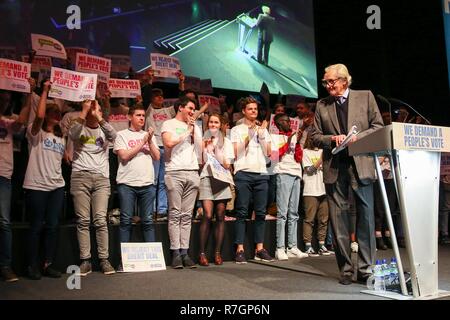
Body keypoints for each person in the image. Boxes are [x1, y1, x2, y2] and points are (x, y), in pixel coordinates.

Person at [310, 63, 383, 285]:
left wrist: (356, 138)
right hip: (335, 166)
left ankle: (365, 268)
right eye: (325, 82)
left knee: (366, 217)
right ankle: (346, 269)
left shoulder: (365, 97)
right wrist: (332, 139)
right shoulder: (321, 105)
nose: (328, 85)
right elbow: (314, 136)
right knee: (338, 220)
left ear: (344, 80)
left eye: (330, 81)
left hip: (360, 164)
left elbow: (378, 126)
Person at [69, 99, 116, 276]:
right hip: (80, 176)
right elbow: (73, 135)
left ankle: (104, 260)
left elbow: (114, 137)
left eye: (96, 109)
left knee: (100, 220)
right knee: (83, 220)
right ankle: (85, 260)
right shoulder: (78, 125)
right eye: (91, 109)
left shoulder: (104, 129)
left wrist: (99, 116)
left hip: (101, 179)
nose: (93, 111)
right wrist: (84, 111)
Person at [23, 81, 65, 280]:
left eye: (59, 113)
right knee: (36, 226)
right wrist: (45, 90)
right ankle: (32, 265)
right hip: (36, 185)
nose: (57, 116)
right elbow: (38, 116)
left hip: (56, 186)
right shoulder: (35, 131)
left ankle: (48, 263)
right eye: (53, 113)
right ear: (47, 114)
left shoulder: (61, 136)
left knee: (52, 226)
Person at [114, 105, 160, 267]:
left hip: (147, 183)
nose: (142, 118)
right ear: (129, 117)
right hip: (127, 184)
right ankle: (123, 261)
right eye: (138, 115)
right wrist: (142, 142)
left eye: (143, 116)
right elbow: (125, 155)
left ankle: (153, 262)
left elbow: (157, 156)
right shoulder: (121, 135)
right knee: (126, 220)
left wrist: (149, 140)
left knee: (147, 221)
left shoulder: (148, 136)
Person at [230, 96, 274, 264]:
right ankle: (239, 249)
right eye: (250, 109)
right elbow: (235, 151)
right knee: (241, 212)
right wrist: (250, 135)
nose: (254, 111)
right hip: (243, 173)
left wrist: (261, 134)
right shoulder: (237, 129)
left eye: (255, 109)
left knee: (261, 213)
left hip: (261, 173)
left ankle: (259, 249)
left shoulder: (263, 129)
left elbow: (269, 152)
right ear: (244, 111)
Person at [161, 96, 202, 269]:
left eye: (194, 109)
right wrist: (187, 130)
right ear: (180, 108)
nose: (193, 112)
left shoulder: (195, 127)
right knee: (175, 213)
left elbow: (200, 150)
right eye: (190, 108)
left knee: (187, 215)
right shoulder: (168, 124)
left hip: (192, 172)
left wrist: (195, 131)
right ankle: (175, 253)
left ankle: (185, 252)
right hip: (174, 172)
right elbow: (169, 143)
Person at [0, 80, 33, 282]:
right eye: (1, 99)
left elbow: (21, 121)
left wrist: (29, 94)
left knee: (4, 221)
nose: (4, 102)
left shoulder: (8, 122)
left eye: (6, 100)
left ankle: (5, 266)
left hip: (3, 176)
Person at [198, 114, 234, 266]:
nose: (213, 124)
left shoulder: (227, 142)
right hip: (206, 177)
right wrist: (205, 148)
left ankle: (217, 253)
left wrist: (216, 149)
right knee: (207, 215)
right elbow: (200, 162)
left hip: (222, 179)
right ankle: (201, 253)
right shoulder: (202, 141)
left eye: (216, 122)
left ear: (221, 125)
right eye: (211, 122)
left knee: (220, 215)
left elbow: (227, 165)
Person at [271, 113, 308, 260]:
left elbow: (298, 157)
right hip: (283, 172)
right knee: (282, 213)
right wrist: (289, 140)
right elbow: (274, 156)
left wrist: (297, 142)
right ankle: (279, 248)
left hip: (296, 173)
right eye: (286, 121)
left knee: (294, 213)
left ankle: (292, 246)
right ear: (279, 123)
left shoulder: (293, 136)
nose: (289, 123)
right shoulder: (274, 136)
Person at [302, 134, 330, 256]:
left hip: (324, 188)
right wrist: (321, 159)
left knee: (323, 219)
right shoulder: (305, 152)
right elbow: (309, 170)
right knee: (309, 219)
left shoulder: (324, 151)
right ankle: (308, 245)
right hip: (311, 189)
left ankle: (321, 244)